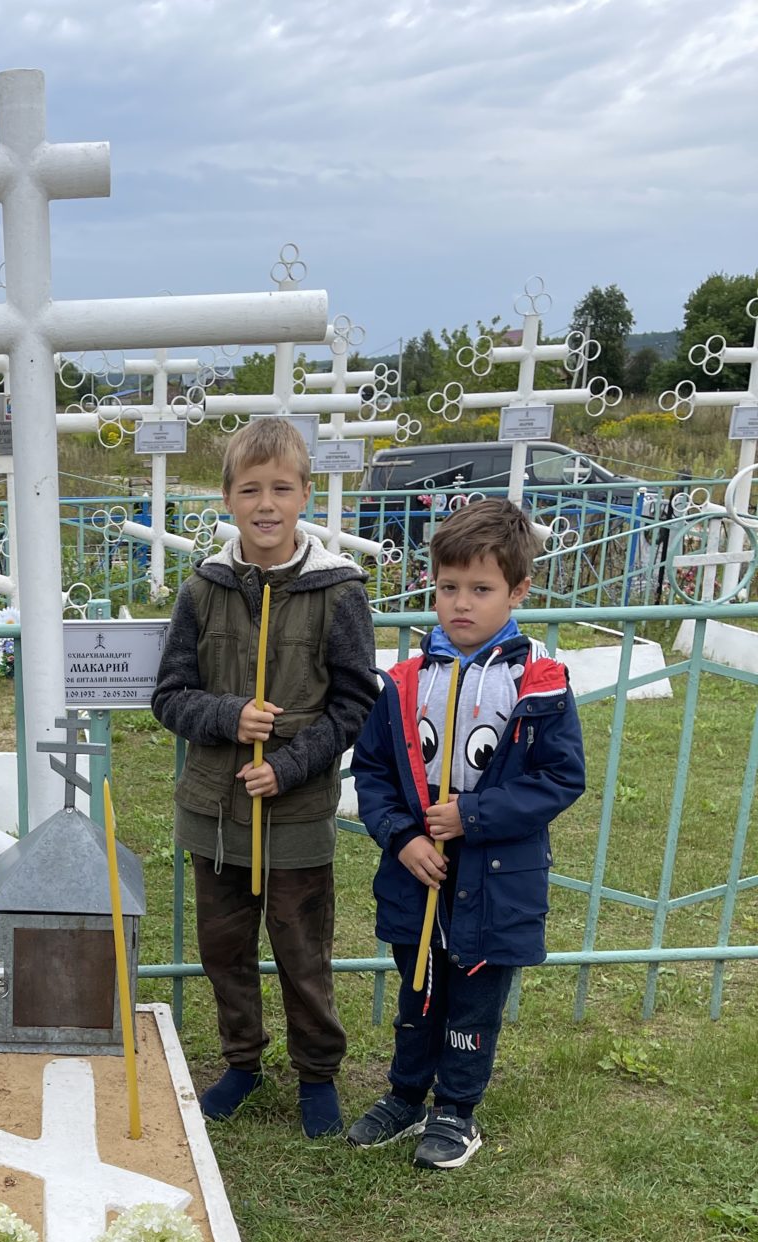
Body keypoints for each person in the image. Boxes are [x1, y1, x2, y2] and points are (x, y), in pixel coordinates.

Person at [151, 417, 378, 1133]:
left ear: (306, 494)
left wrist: (286, 765)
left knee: (302, 951)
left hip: (297, 813)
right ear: (227, 499)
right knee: (225, 949)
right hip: (215, 812)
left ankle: (318, 1075)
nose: (266, 503)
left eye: (282, 487)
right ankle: (242, 1062)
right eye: (250, 489)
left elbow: (355, 706)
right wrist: (227, 717)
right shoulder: (202, 590)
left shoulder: (339, 592)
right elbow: (169, 696)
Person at [347, 496, 585, 1169]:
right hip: (416, 874)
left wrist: (471, 818)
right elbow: (373, 773)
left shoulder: (539, 685)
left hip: (496, 882)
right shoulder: (402, 683)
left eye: (481, 589)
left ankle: (457, 1110)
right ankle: (405, 1095)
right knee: (418, 991)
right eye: (449, 586)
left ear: (517, 591)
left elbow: (560, 779)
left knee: (473, 999)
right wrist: (404, 837)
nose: (461, 603)